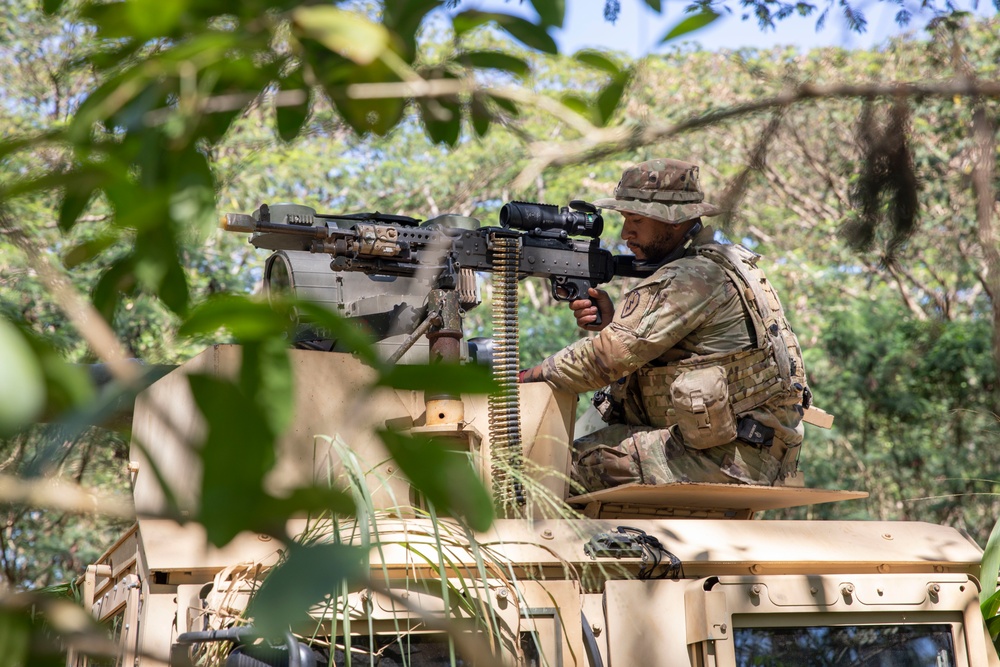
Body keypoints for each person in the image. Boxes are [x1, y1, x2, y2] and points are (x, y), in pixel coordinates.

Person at [518, 158, 810, 493]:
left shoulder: (692, 276)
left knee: (544, 468)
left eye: (637, 220)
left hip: (723, 459)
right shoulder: (722, 263)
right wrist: (615, 324)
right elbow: (697, 352)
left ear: (674, 223)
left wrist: (528, 376)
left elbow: (602, 361)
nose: (626, 233)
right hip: (748, 451)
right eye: (625, 219)